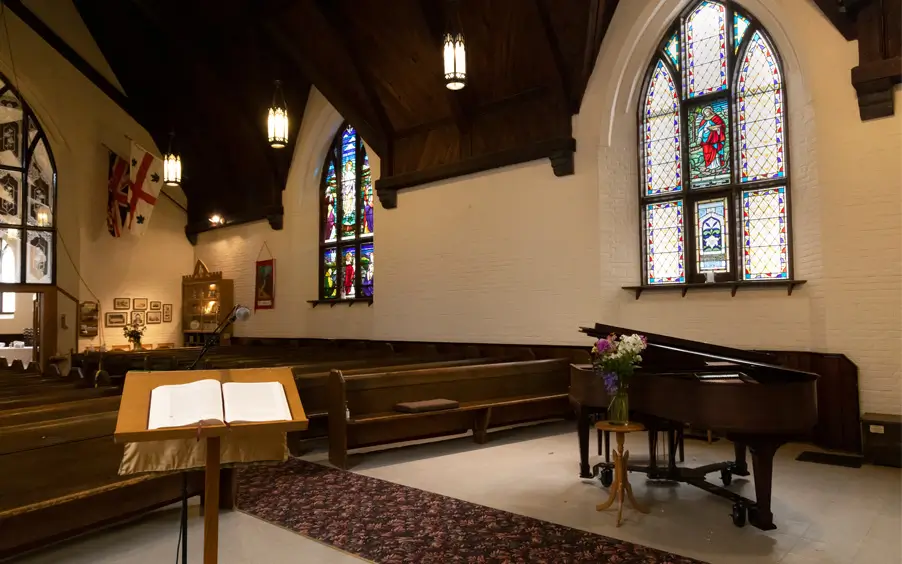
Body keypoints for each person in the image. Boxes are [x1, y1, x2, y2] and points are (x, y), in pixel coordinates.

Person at [696, 106, 726, 171]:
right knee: (706, 152)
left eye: (708, 111)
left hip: (715, 138)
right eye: (705, 112)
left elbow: (722, 126)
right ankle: (709, 166)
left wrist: (716, 128)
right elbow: (700, 129)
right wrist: (700, 137)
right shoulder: (703, 121)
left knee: (715, 151)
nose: (707, 113)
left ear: (710, 111)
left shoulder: (716, 118)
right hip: (705, 141)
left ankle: (717, 165)